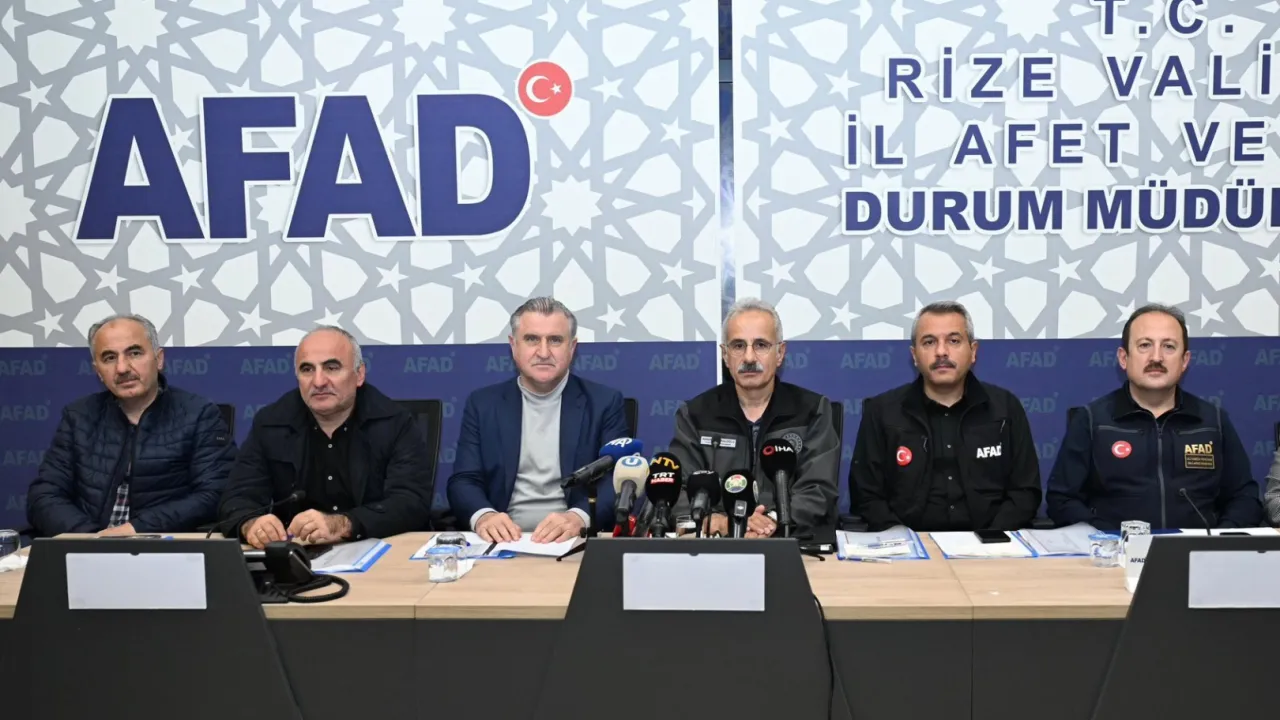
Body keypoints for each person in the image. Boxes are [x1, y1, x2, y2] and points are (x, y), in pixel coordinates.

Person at [1048, 304, 1262, 530]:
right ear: (1123, 358)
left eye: (1169, 346)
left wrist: (1218, 539)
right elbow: (1062, 500)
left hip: (1196, 549)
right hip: (1115, 549)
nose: (1156, 357)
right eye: (1145, 345)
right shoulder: (1092, 420)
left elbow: (1244, 498)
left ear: (1185, 361)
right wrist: (1105, 537)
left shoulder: (1213, 421)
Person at [219, 326, 432, 548]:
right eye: (307, 370)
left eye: (331, 368)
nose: (319, 381)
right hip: (296, 554)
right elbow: (237, 498)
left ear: (359, 375)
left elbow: (411, 502)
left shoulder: (394, 422)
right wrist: (251, 525)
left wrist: (343, 524)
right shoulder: (271, 423)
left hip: (377, 549)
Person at [27, 314, 233, 536]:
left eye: (134, 353)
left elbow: (215, 493)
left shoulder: (199, 414)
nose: (122, 368)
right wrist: (92, 538)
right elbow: (44, 496)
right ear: (98, 371)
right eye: (109, 358)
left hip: (160, 546)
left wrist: (136, 530)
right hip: (87, 544)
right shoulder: (78, 417)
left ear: (159, 359)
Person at [447, 297, 630, 543]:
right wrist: (484, 516)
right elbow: (464, 480)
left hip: (572, 541)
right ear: (513, 346)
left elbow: (618, 479)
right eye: (532, 339)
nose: (543, 353)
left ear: (572, 347)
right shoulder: (482, 404)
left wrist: (578, 518)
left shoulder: (604, 402)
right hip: (503, 541)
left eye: (555, 340)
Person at [850, 301, 1040, 532]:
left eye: (954, 341)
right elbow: (866, 495)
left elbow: (1025, 492)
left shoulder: (1005, 408)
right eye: (929, 342)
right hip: (907, 544)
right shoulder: (882, 411)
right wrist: (903, 538)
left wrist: (991, 539)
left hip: (991, 542)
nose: (941, 352)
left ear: (973, 351)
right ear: (914, 355)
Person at [668, 298, 840, 540]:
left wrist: (772, 521)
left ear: (780, 353)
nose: (749, 357)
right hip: (718, 550)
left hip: (792, 546)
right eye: (738, 346)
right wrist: (726, 523)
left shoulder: (812, 411)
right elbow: (675, 493)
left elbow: (818, 490)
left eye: (761, 345)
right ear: (725, 355)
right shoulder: (695, 415)